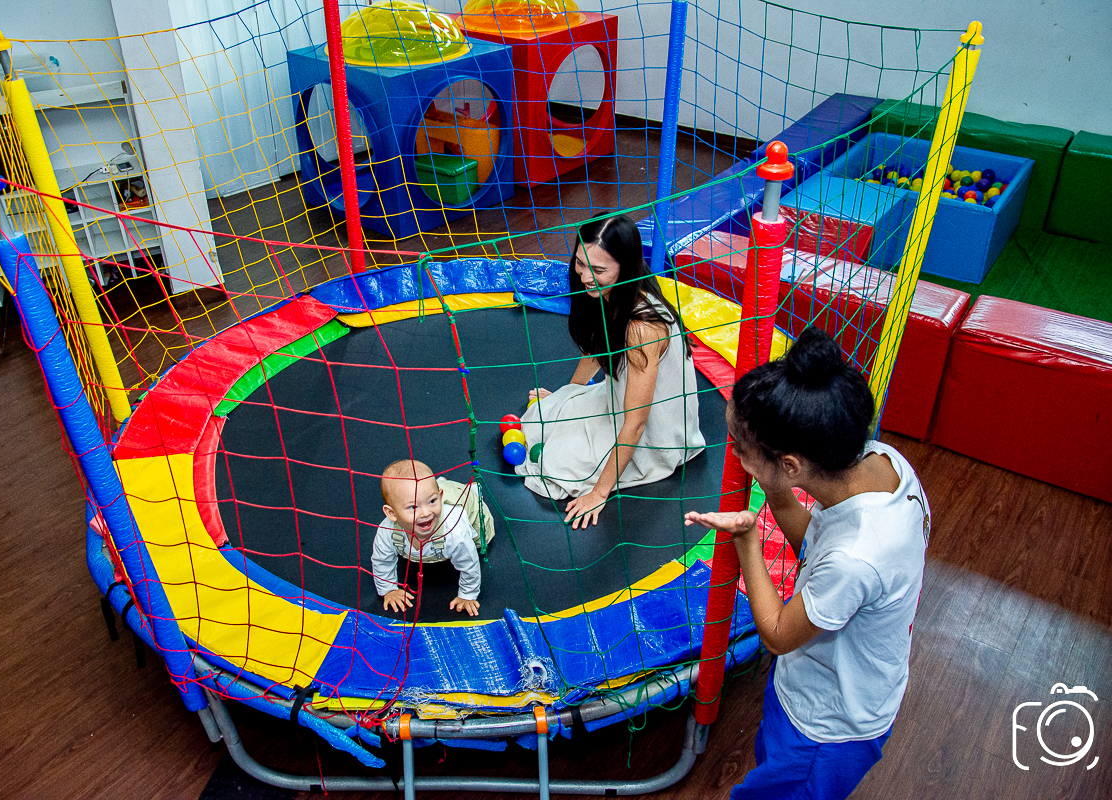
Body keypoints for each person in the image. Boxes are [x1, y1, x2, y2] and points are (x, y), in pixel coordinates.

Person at [684, 326, 930, 800]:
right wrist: (774, 489)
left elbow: (778, 634)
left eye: (741, 449)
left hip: (827, 728)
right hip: (815, 682)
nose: (734, 456)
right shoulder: (882, 462)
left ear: (791, 465)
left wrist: (747, 538)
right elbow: (815, 548)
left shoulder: (856, 557)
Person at [515, 214, 705, 528]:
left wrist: (599, 492)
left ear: (625, 267)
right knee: (540, 418)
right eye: (580, 263)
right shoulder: (610, 292)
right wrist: (569, 394)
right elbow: (597, 345)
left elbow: (637, 423)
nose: (585, 276)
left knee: (555, 468)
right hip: (621, 400)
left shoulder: (642, 328)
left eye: (598, 270)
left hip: (655, 431)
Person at [372, 459, 495, 617]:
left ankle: (468, 491)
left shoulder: (454, 530)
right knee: (425, 493)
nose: (426, 513)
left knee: (483, 538)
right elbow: (382, 560)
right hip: (438, 495)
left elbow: (469, 564)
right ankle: (440, 487)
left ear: (439, 497)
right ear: (392, 513)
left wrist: (467, 595)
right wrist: (388, 589)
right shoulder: (387, 531)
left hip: (467, 509)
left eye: (432, 501)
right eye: (413, 507)